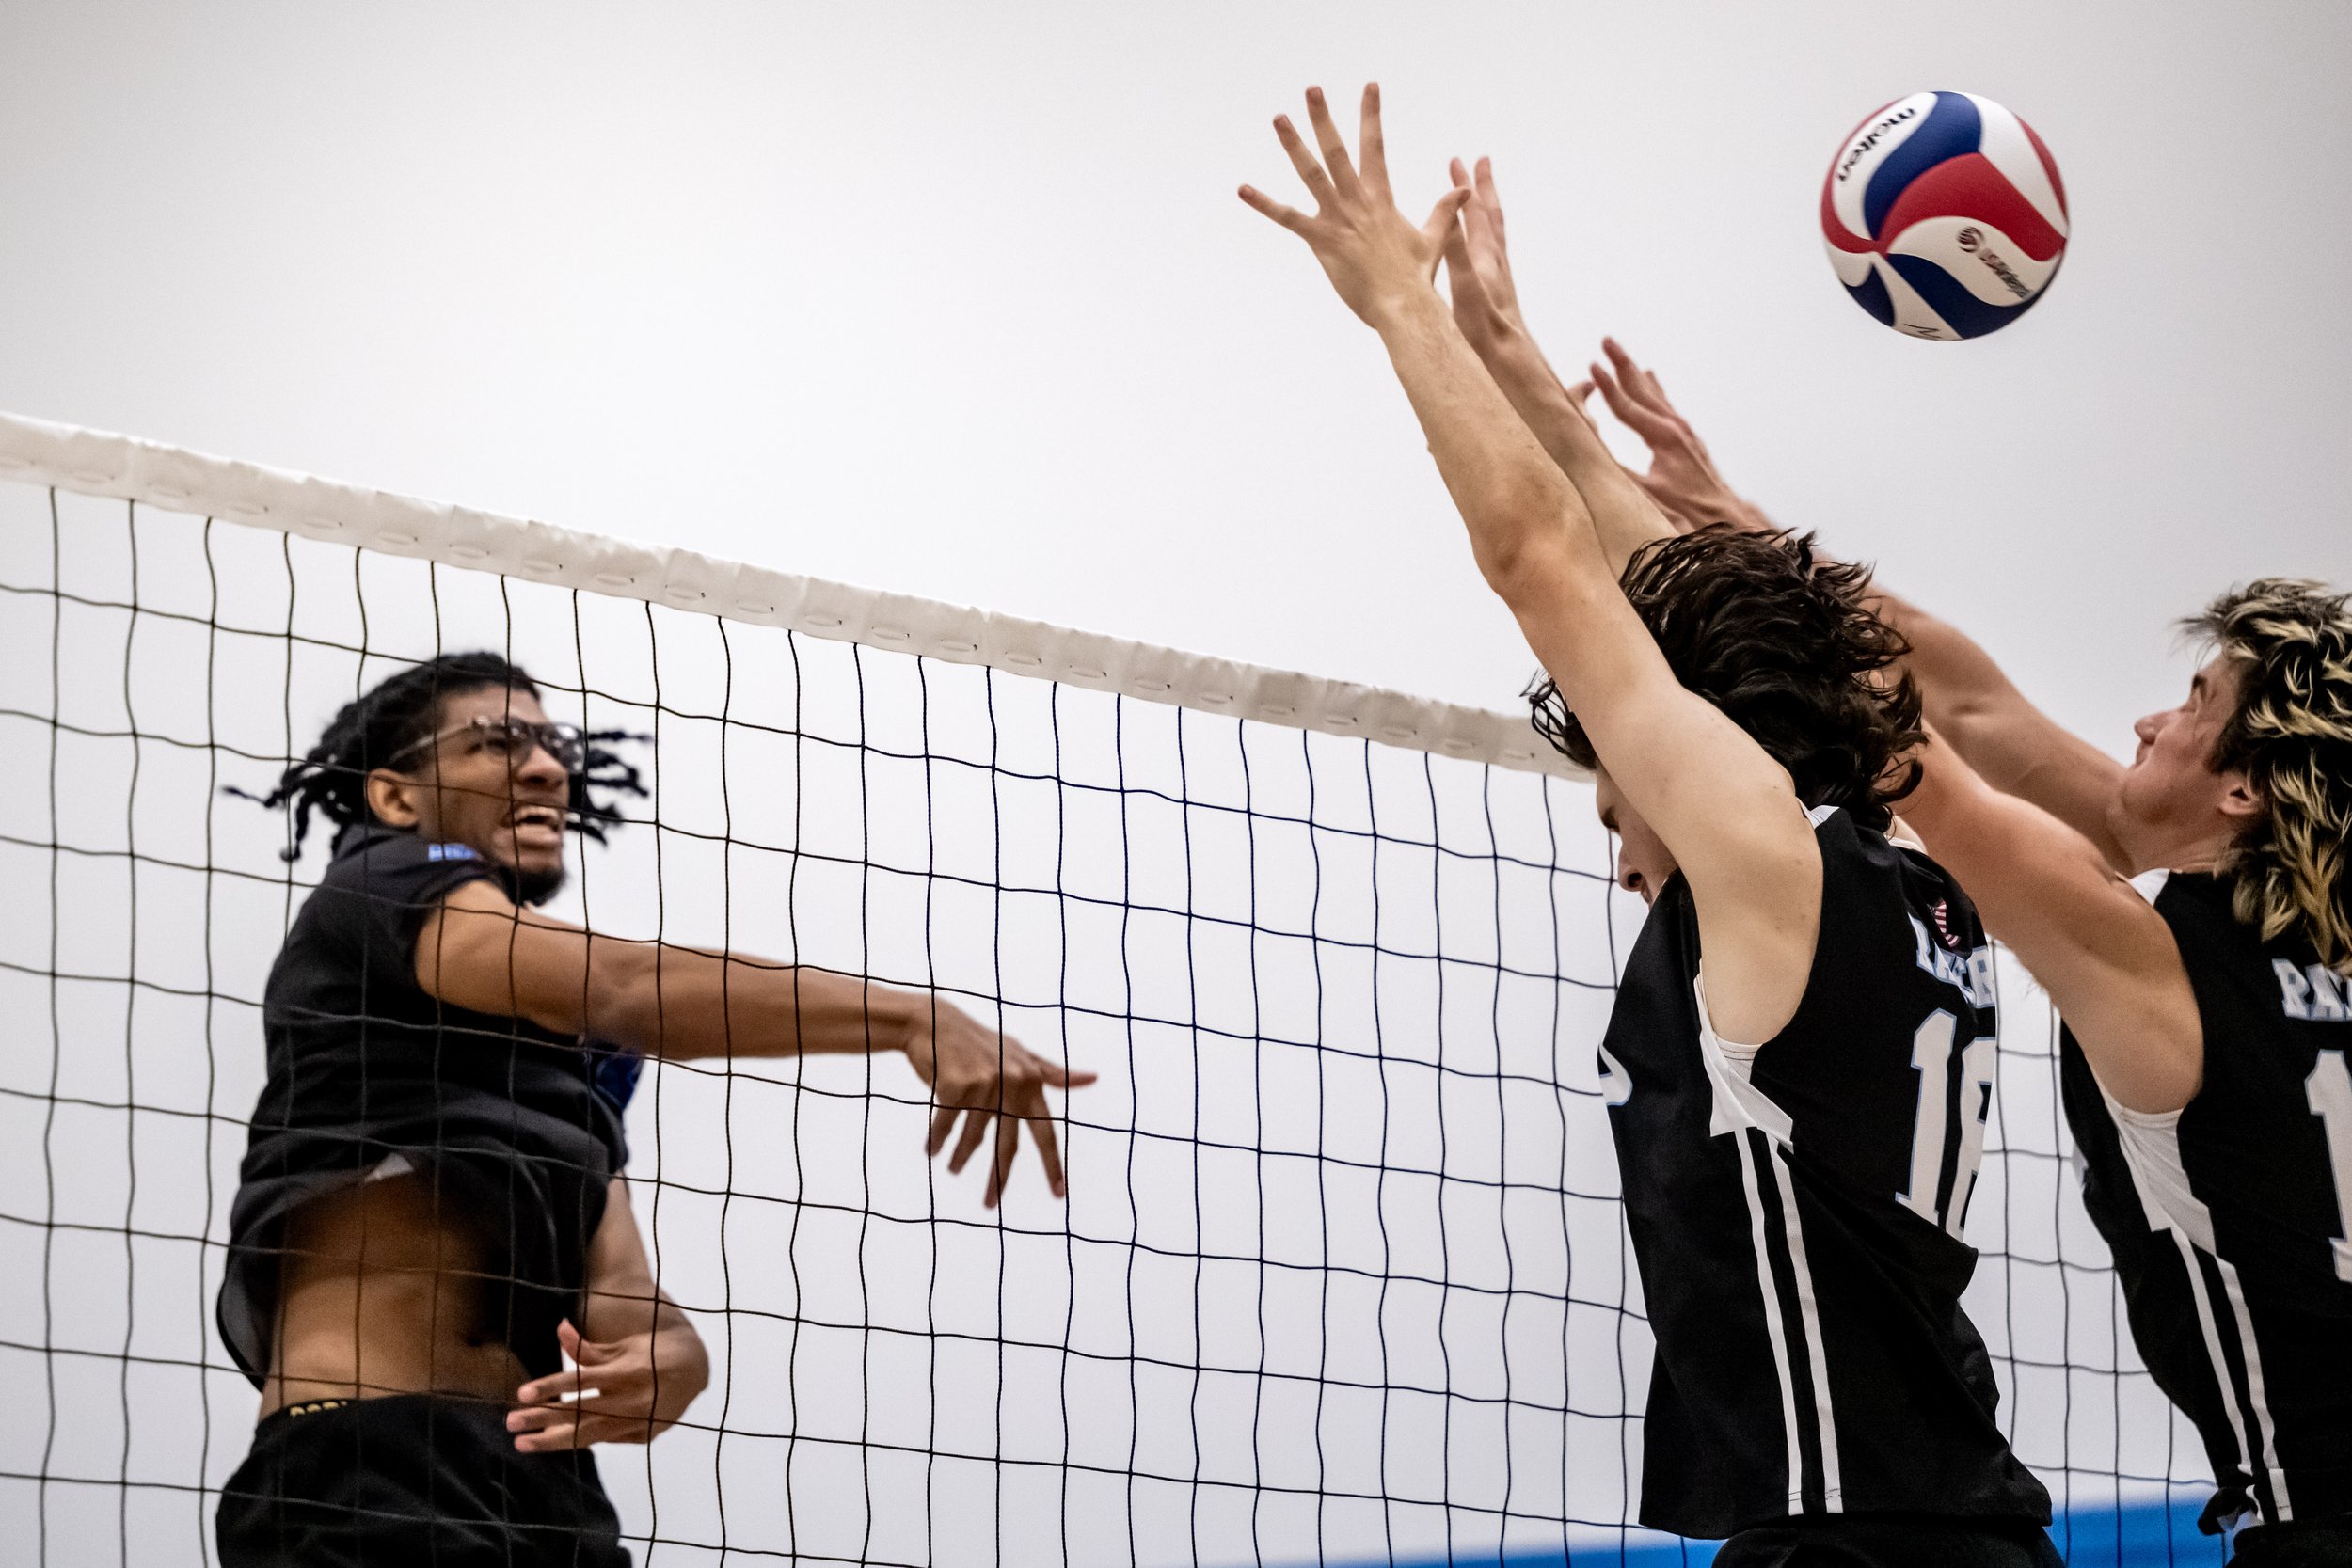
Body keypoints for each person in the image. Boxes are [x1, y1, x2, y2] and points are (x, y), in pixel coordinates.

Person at [1456, 182, 2352, 1564]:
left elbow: (1868, 718)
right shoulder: (2302, 933)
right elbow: (1971, 711)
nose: (2146, 718)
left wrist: (1529, 387)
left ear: (2244, 788)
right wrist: (1743, 525)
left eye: (2193, 699)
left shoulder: (2152, 958)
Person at [1241, 86, 2056, 1564]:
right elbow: (1681, 606)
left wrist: (1396, 304)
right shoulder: (1908, 873)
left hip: (1852, 1539)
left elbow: (1542, 561)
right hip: (1952, 1520)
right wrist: (1510, 349)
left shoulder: (1768, 858)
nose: (1623, 852)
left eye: (1621, 802)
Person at [214, 652, 1093, 1566]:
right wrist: (911, 1017)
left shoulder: (570, 1070)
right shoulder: (388, 875)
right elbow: (618, 982)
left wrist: (673, 1359)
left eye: (553, 747)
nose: (547, 768)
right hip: (364, 1467)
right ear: (396, 797)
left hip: (547, 1494)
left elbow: (621, 1291)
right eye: (496, 742)